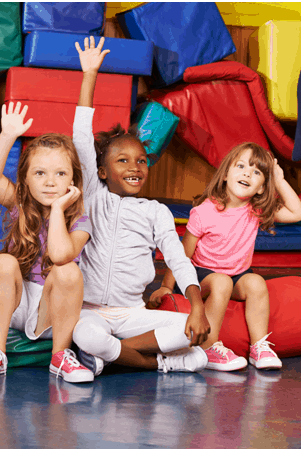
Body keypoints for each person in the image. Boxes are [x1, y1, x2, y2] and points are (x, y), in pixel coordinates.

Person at [71, 37, 211, 377]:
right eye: (123, 160)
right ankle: (158, 363)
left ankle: (109, 359)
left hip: (133, 314)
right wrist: (89, 75)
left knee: (194, 336)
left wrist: (197, 307)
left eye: (142, 161)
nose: (135, 167)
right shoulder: (93, 193)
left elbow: (179, 259)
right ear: (102, 171)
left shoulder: (156, 211)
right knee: (85, 334)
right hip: (89, 311)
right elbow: (80, 136)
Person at [0, 101, 95, 383]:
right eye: (40, 173)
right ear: (24, 178)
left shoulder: (81, 222)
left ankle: (60, 357)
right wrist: (8, 135)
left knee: (69, 270)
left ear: (74, 180)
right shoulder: (19, 203)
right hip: (12, 303)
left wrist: (58, 210)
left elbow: (60, 255)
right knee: (4, 261)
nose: (50, 182)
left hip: (50, 310)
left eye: (60, 174)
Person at [149, 142, 301, 371]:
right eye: (241, 166)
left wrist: (279, 180)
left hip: (237, 276)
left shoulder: (256, 209)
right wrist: (166, 286)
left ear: (262, 187)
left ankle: (259, 346)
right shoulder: (204, 211)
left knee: (256, 282)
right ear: (225, 175)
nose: (247, 173)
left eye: (256, 172)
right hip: (201, 277)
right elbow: (183, 254)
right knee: (221, 281)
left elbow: (298, 213)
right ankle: (208, 346)